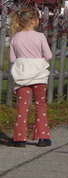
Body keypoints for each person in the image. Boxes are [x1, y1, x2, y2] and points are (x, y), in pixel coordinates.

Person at [8, 8, 52, 147]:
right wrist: (38, 60)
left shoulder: (15, 37)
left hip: (22, 76)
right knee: (40, 104)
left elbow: (12, 59)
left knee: (22, 106)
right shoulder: (40, 36)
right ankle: (43, 137)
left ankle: (19, 139)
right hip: (39, 76)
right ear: (33, 21)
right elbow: (49, 55)